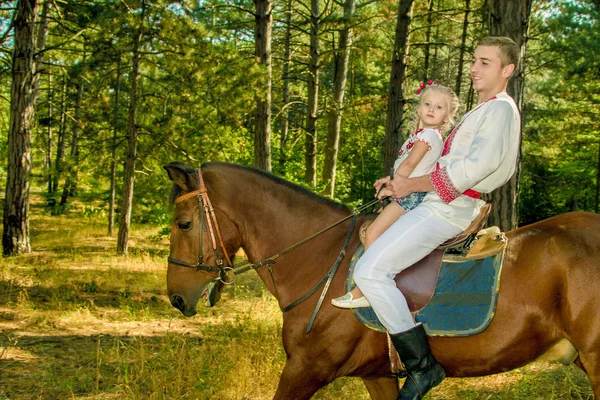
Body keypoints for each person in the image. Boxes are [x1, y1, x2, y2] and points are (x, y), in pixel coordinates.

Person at [353, 36, 521, 400]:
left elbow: (476, 167)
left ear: (507, 70)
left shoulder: (501, 110)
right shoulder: (484, 110)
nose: (474, 68)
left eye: (486, 63)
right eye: (474, 60)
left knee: (369, 271)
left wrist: (412, 183)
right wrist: (402, 183)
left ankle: (422, 367)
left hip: (451, 207)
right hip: (438, 200)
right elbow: (436, 162)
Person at [331, 82, 460, 309]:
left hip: (409, 197)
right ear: (419, 109)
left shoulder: (429, 136)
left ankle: (368, 287)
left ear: (447, 117)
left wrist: (392, 185)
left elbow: (409, 165)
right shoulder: (420, 135)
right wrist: (389, 180)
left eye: (439, 107)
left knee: (372, 234)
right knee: (371, 233)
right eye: (427, 104)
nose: (431, 109)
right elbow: (408, 166)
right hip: (405, 192)